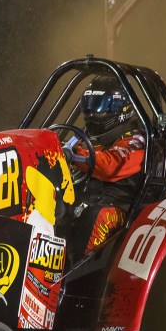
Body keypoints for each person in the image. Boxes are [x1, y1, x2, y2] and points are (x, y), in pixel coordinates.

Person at [63, 76, 147, 254]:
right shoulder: (96, 138)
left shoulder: (137, 140)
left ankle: (76, 268)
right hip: (92, 200)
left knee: (97, 216)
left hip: (124, 211)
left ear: (119, 109)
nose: (92, 116)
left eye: (98, 111)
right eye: (89, 109)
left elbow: (111, 166)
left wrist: (75, 155)